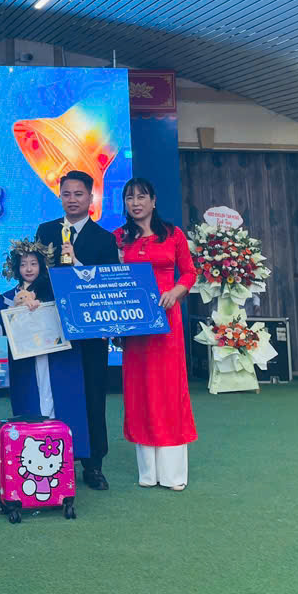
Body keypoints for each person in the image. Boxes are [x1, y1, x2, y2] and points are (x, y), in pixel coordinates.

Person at [35, 169, 118, 490]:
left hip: (91, 331)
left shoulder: (104, 239)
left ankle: (94, 464)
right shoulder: (45, 231)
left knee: (93, 394)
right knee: (57, 393)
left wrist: (78, 264)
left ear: (91, 197)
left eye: (78, 194)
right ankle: (55, 458)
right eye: (66, 194)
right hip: (52, 325)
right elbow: (35, 275)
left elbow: (109, 284)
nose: (72, 200)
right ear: (60, 197)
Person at [115, 177, 197, 491]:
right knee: (140, 390)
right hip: (135, 325)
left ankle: (174, 474)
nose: (135, 203)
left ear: (153, 200)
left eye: (141, 197)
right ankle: (148, 472)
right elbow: (103, 277)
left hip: (167, 321)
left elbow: (189, 272)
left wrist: (176, 291)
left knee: (169, 389)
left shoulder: (173, 234)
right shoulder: (119, 237)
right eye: (129, 198)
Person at [0, 242, 90, 460]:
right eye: (23, 264)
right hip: (26, 364)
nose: (28, 269)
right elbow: (0, 327)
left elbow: (81, 290)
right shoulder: (7, 298)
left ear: (42, 265)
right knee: (30, 408)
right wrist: (15, 310)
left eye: (34, 263)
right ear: (15, 267)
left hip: (58, 360)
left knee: (62, 403)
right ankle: (32, 460)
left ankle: (65, 460)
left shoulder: (56, 289)